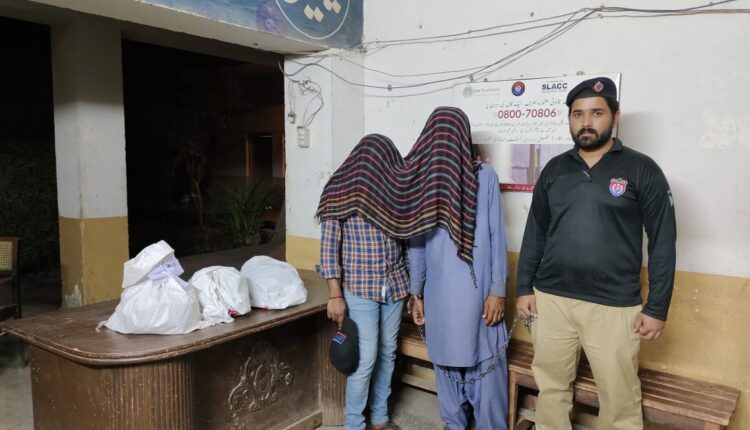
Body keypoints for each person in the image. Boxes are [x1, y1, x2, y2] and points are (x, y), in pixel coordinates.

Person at [515, 77, 677, 430]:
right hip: (551, 300)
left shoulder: (641, 169)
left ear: (615, 117)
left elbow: (663, 241)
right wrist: (524, 287)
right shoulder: (555, 169)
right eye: (578, 114)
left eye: (596, 113)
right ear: (569, 119)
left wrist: (657, 307)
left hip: (613, 305)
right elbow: (535, 232)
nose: (586, 122)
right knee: (551, 387)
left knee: (619, 398)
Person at [409, 107, 509, 430]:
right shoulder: (425, 183)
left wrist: (497, 290)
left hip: (476, 298)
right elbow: (417, 245)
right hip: (445, 298)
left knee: (481, 370)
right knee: (455, 373)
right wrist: (417, 294)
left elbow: (496, 237)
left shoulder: (483, 177)